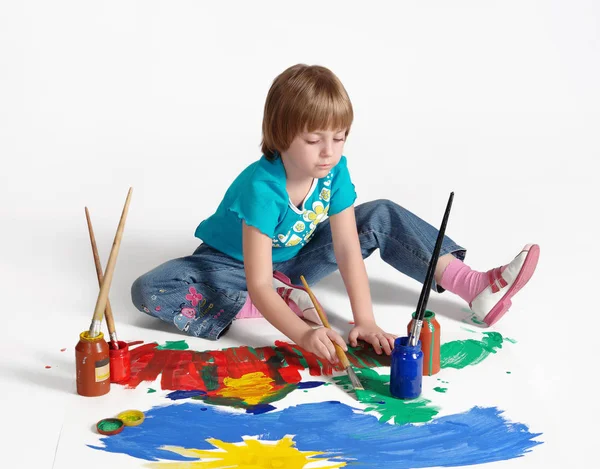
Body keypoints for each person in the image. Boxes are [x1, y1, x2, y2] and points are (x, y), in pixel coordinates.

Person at [131, 64, 540, 364]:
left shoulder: (334, 169)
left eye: (339, 138)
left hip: (295, 255)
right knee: (150, 288)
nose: (329, 151)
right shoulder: (261, 188)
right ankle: (274, 301)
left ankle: (474, 286)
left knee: (380, 213)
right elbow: (258, 282)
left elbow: (346, 248)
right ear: (280, 135)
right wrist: (304, 334)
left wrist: (365, 321)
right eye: (314, 140)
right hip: (232, 267)